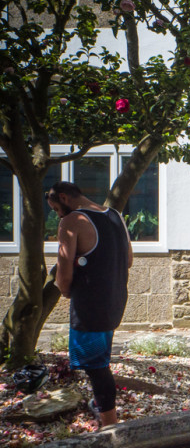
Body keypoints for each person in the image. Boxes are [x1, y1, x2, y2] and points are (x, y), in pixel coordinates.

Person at [48, 181, 132, 428]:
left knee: (95, 366)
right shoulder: (115, 215)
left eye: (55, 208)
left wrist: (65, 290)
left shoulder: (72, 221)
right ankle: (102, 408)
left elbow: (63, 277)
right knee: (99, 361)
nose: (57, 215)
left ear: (64, 198)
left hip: (90, 305)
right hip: (115, 299)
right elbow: (128, 260)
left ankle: (109, 425)